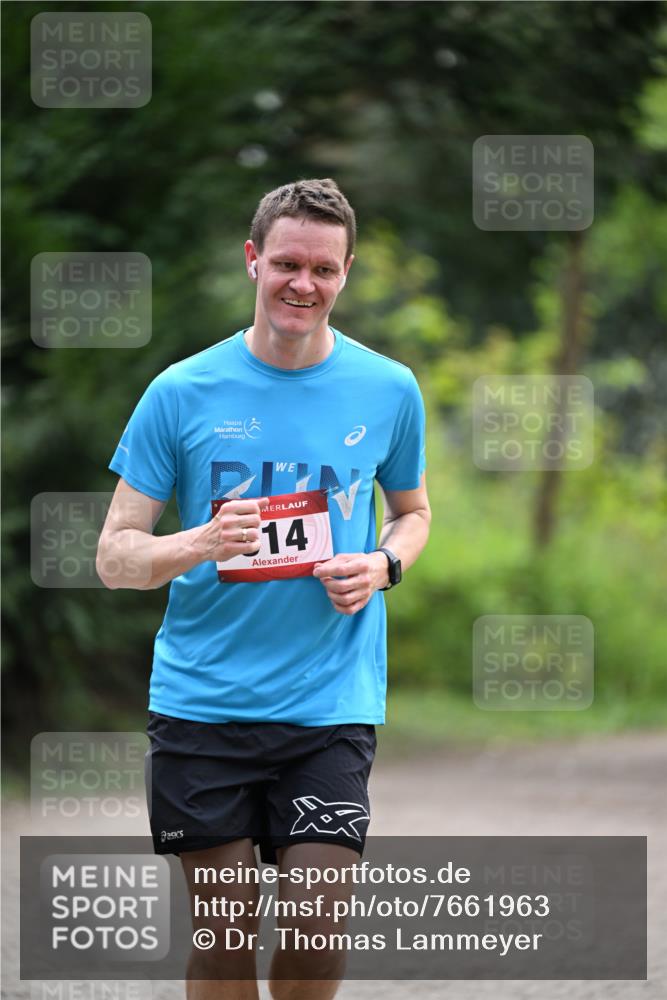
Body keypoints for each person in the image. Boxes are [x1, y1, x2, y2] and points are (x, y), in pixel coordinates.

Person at [97, 177, 431, 1000]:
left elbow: (413, 512)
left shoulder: (388, 388)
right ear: (253, 260)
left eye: (323, 269)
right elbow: (114, 556)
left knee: (316, 926)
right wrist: (201, 542)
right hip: (203, 707)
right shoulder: (182, 392)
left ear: (346, 272)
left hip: (327, 706)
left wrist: (382, 565)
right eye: (286, 263)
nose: (302, 284)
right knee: (224, 938)